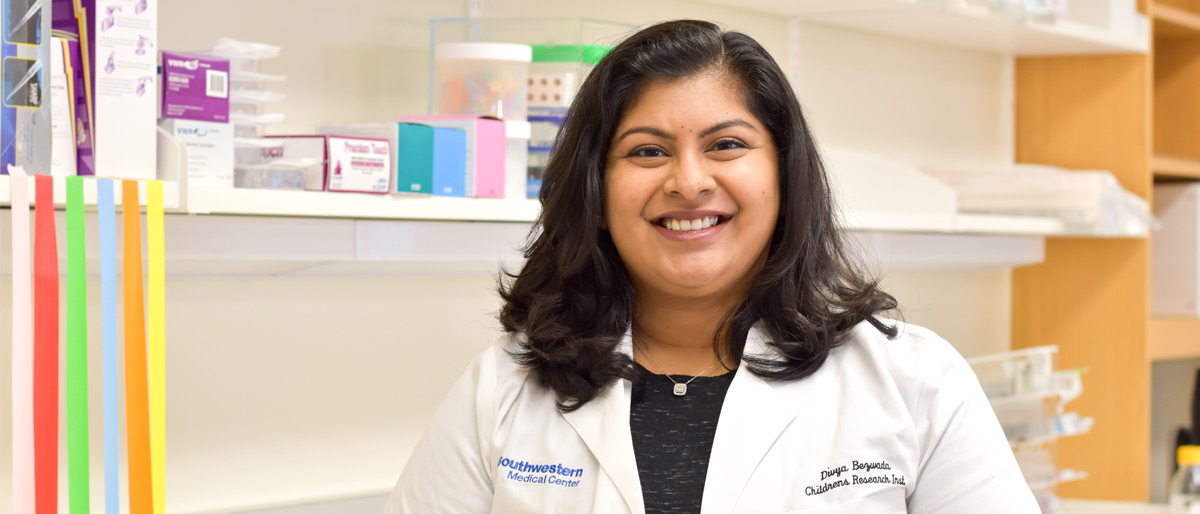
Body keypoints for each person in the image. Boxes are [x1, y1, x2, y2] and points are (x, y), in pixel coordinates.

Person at [385, 19, 1038, 514]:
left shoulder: (914, 382)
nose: (689, 182)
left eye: (727, 145)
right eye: (647, 152)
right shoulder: (502, 392)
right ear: (597, 194)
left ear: (784, 178)